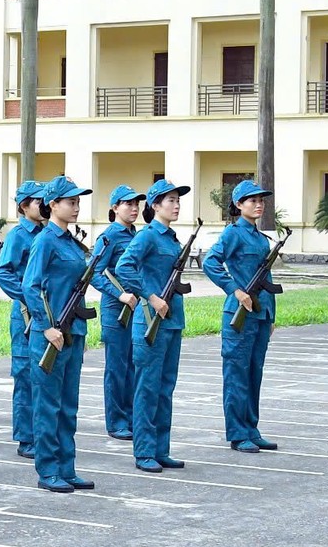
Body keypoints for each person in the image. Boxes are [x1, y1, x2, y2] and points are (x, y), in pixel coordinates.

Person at [112, 179, 193, 473]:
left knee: (165, 388)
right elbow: (124, 267)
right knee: (147, 387)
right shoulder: (147, 237)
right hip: (150, 320)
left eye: (178, 200)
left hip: (171, 321)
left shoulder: (171, 238)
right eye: (170, 200)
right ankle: (144, 451)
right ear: (155, 206)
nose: (176, 205)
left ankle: (161, 448)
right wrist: (150, 295)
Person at [24, 176, 97, 494]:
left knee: (68, 405)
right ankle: (48, 469)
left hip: (73, 331)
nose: (76, 206)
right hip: (50, 336)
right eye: (71, 201)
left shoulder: (70, 241)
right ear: (53, 204)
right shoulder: (45, 241)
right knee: (48, 406)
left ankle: (67, 467)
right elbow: (31, 285)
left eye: (78, 201)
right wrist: (46, 326)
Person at [201, 180, 281, 454]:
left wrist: (271, 316)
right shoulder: (233, 234)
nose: (258, 204)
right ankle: (237, 433)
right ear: (238, 205)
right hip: (239, 314)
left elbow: (266, 279)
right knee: (236, 374)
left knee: (253, 374)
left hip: (260, 315)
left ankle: (251, 428)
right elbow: (210, 261)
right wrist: (234, 290)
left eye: (261, 200)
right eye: (252, 200)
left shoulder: (260, 238)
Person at [0, 181, 47, 456]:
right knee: (25, 374)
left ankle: (44, 433)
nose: (44, 205)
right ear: (24, 206)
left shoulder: (48, 233)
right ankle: (26, 437)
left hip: (48, 313)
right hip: (26, 314)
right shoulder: (18, 235)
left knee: (45, 375)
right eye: (38, 201)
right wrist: (27, 297)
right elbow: (3, 273)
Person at [90, 185, 145, 441]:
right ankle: (116, 421)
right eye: (127, 204)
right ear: (114, 208)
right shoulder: (109, 236)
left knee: (134, 364)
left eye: (136, 204)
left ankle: (133, 417)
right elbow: (93, 273)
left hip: (138, 310)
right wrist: (119, 294)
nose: (134, 209)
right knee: (117, 366)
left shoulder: (138, 235)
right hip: (116, 310)